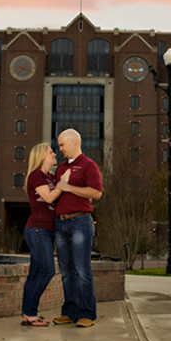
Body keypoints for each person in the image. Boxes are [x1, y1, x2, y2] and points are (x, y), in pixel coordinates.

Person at [53, 128, 103, 328]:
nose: (60, 149)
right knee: (66, 271)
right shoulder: (60, 168)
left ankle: (87, 314)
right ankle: (70, 312)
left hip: (80, 223)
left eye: (63, 145)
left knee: (82, 270)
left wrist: (69, 187)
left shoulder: (89, 165)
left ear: (74, 142)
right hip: (60, 223)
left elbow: (97, 193)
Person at [21, 142, 70, 327]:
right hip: (37, 229)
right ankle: (31, 313)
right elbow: (49, 198)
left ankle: (27, 314)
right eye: (51, 151)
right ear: (42, 155)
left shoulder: (50, 177)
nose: (54, 153)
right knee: (48, 270)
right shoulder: (36, 175)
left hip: (48, 230)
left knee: (35, 273)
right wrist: (63, 184)